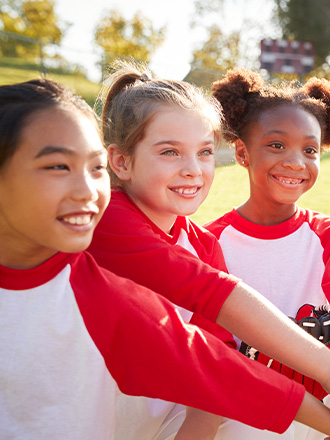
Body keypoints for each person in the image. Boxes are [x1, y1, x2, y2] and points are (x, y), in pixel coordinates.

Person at [4, 78, 330, 440]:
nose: (193, 169)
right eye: (170, 152)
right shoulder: (108, 220)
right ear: (122, 163)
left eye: (205, 152)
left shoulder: (202, 244)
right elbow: (209, 299)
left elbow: (213, 360)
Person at [203, 67, 330, 440]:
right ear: (242, 152)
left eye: (310, 150)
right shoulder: (208, 244)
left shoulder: (323, 237)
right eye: (276, 145)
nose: (295, 162)